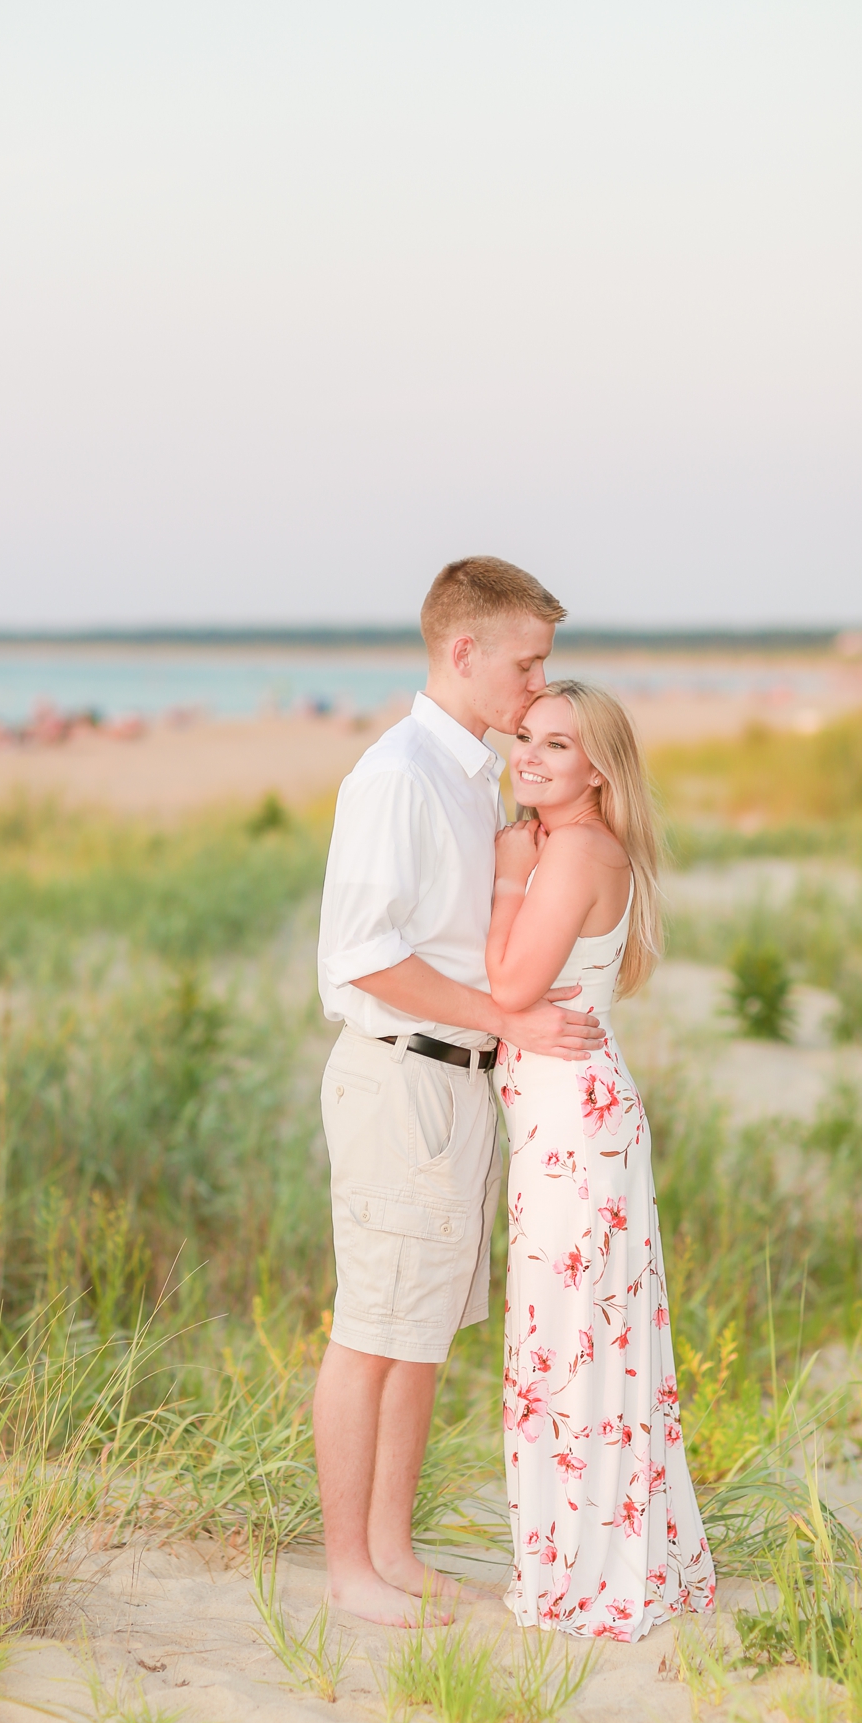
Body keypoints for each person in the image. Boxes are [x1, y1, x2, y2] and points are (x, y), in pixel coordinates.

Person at [313, 557, 604, 1627]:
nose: (538, 686)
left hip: (459, 1085)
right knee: (372, 1326)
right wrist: (510, 1020)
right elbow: (363, 956)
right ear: (464, 649)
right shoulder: (397, 775)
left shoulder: (473, 773)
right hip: (402, 1077)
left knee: (424, 1324)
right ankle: (348, 1568)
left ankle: (394, 1550)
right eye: (528, 663)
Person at [487, 679, 716, 1640]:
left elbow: (508, 982)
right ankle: (603, 1546)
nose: (530, 757)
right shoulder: (577, 844)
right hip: (577, 1118)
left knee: (567, 1336)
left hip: (575, 1131)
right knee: (589, 1333)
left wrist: (505, 869)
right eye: (525, 739)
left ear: (597, 769)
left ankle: (581, 1568)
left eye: (556, 746)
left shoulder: (570, 850)